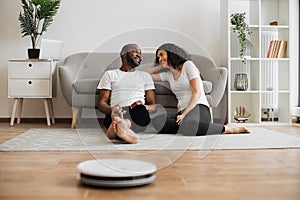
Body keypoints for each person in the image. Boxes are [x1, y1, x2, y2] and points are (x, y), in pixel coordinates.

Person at [146, 43, 249, 136]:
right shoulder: (168, 75)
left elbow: (197, 93)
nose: (159, 58)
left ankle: (227, 128)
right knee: (158, 121)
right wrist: (159, 66)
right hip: (182, 113)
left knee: (190, 125)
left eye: (161, 55)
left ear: (171, 53)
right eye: (158, 57)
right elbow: (146, 74)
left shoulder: (188, 65)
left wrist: (184, 114)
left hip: (198, 108)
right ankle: (192, 127)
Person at [97, 44, 157, 143]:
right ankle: (123, 127)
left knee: (140, 111)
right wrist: (113, 110)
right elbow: (101, 104)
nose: (139, 55)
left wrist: (143, 106)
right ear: (124, 54)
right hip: (116, 111)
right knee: (116, 115)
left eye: (140, 53)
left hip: (138, 111)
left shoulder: (145, 76)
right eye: (135, 51)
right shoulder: (110, 74)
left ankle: (118, 127)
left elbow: (153, 106)